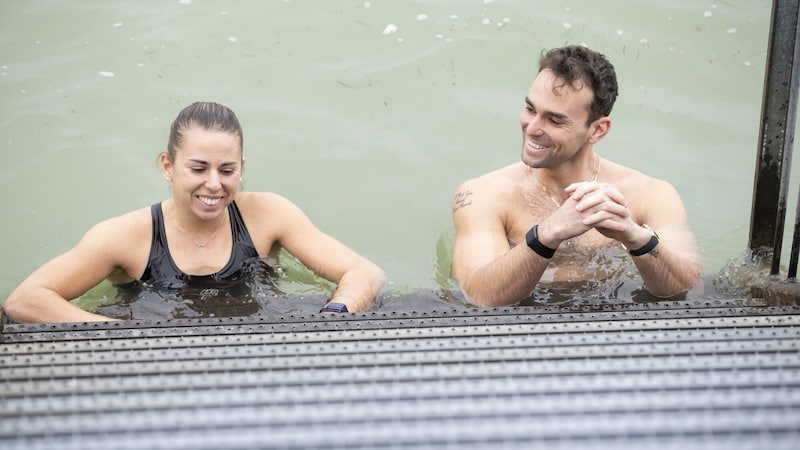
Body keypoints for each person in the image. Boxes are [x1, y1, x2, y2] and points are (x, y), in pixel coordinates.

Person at [4, 101, 386, 323]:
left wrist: (335, 313)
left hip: (258, 339)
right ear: (168, 166)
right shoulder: (126, 236)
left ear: (242, 167)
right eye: (198, 168)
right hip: (161, 359)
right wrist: (120, 335)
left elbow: (364, 272)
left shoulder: (268, 214)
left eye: (227, 170)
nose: (214, 185)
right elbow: (25, 300)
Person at [450, 45, 703, 307]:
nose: (532, 128)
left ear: (597, 130)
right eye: (530, 109)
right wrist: (548, 233)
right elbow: (479, 296)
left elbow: (690, 291)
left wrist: (634, 236)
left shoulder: (650, 194)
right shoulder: (484, 194)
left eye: (555, 120)